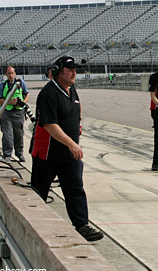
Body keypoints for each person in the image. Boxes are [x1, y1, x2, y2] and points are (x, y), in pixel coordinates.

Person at [30, 56, 103, 241]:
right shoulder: (48, 93)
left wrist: (77, 129)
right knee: (39, 192)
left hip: (68, 154)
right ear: (58, 71)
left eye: (75, 70)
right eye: (70, 70)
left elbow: (76, 111)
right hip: (47, 154)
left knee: (75, 188)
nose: (74, 73)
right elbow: (49, 124)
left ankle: (82, 225)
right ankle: (33, 226)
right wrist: (72, 143)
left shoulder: (72, 90)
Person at [0, 66, 30, 163]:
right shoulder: (2, 85)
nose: (11, 75)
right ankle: (7, 155)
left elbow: (27, 94)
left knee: (19, 134)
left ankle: (19, 154)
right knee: (8, 135)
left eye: (12, 73)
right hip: (6, 112)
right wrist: (9, 102)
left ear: (15, 74)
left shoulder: (21, 83)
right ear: (6, 74)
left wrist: (23, 102)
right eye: (9, 73)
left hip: (19, 113)